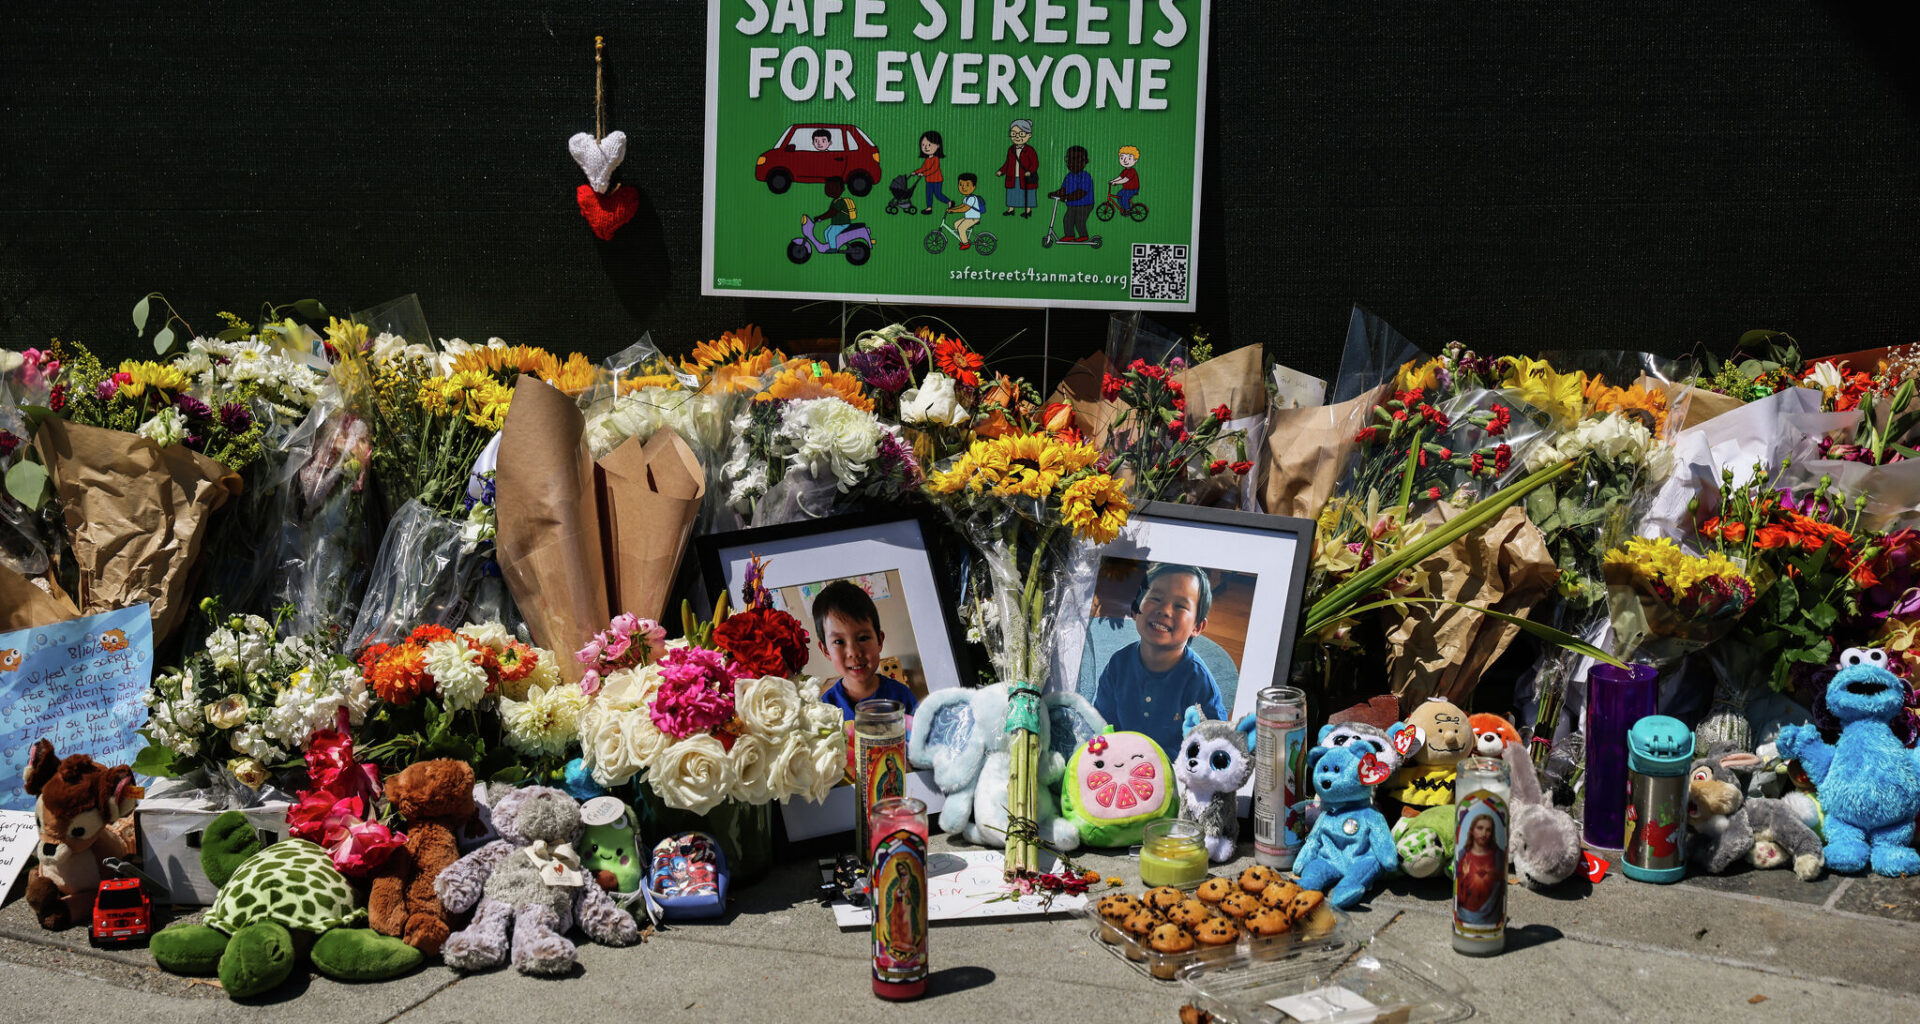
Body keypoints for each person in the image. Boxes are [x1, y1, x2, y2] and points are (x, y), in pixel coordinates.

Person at [1093, 563, 1226, 756]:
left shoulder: (1198, 682)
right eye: (1155, 598)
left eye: (1180, 606)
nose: (1164, 610)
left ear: (1197, 627)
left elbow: (1215, 742)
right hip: (1121, 759)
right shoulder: (1118, 665)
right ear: (1134, 608)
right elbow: (1101, 721)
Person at [814, 579, 919, 719]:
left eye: (863, 638)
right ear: (826, 650)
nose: (853, 652)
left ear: (879, 640)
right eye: (839, 641)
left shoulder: (902, 696)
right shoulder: (825, 709)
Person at [1454, 802, 1505, 925]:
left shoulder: (1498, 856)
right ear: (1472, 830)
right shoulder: (1463, 855)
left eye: (1488, 830)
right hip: (1466, 914)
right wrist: (1464, 876)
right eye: (1480, 828)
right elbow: (1460, 897)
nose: (1484, 834)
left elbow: (1499, 887)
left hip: (1490, 915)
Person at [1047, 145, 1095, 242]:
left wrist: (1067, 198)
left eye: (1076, 159)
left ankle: (1083, 236)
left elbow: (1081, 192)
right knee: (1067, 219)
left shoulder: (1085, 176)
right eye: (1069, 160)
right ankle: (1070, 235)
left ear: (1085, 161)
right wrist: (1056, 193)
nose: (1072, 163)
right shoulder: (1069, 176)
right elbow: (1064, 189)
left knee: (1079, 220)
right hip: (1072, 204)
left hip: (1084, 204)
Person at [998, 118, 1039, 217]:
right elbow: (1007, 162)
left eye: (1021, 134)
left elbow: (1035, 163)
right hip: (1012, 175)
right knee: (1012, 192)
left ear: (1029, 135)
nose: (1017, 137)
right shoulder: (1011, 149)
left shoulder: (1030, 150)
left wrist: (1030, 171)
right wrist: (1002, 171)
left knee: (1027, 194)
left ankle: (1028, 211)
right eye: (1013, 134)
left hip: (1025, 177)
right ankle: (1011, 209)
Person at [911, 130, 947, 215]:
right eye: (923, 145)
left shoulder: (936, 159)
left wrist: (923, 174)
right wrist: (915, 172)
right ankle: (929, 208)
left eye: (929, 145)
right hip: (929, 180)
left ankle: (949, 202)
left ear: (938, 146)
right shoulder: (927, 160)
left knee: (938, 195)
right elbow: (923, 168)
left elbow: (932, 170)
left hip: (937, 180)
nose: (925, 147)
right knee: (929, 194)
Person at [815, 175, 852, 251]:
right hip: (836, 224)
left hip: (842, 224)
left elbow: (832, 213)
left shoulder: (839, 202)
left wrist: (820, 218)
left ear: (842, 189)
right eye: (828, 187)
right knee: (826, 232)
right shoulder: (835, 201)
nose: (831, 190)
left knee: (831, 234)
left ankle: (833, 248)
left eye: (834, 187)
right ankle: (830, 245)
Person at [948, 173, 983, 249]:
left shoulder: (972, 198)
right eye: (961, 184)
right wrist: (952, 209)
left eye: (967, 185)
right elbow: (961, 206)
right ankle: (964, 238)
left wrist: (954, 211)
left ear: (974, 187)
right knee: (956, 224)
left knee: (961, 228)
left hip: (973, 218)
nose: (963, 187)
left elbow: (965, 208)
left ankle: (966, 243)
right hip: (968, 217)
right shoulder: (966, 198)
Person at [1109, 145, 1141, 212]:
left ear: (1135, 160)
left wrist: (1116, 183)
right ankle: (1123, 207)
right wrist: (1113, 181)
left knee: (1125, 197)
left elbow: (1125, 179)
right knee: (1119, 195)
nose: (1125, 160)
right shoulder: (1125, 171)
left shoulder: (1132, 171)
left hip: (1133, 189)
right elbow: (1120, 177)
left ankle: (1127, 209)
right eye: (1122, 158)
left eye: (1129, 158)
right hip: (1126, 189)